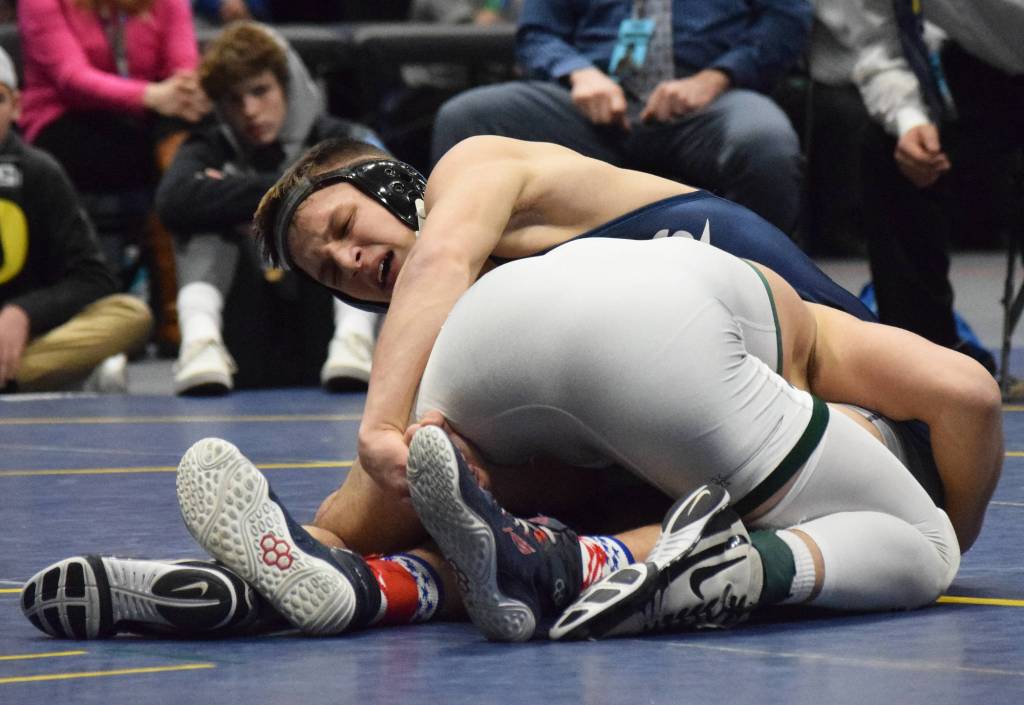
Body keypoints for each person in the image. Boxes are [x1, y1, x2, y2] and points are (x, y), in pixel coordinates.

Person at [252, 134, 993, 555]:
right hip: (690, 454)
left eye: (344, 229)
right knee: (447, 471)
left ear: (388, 183)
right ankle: (316, 557)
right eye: (329, 271)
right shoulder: (463, 321)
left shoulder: (472, 170)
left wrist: (379, 426)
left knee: (416, 452)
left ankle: (336, 554)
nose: (349, 261)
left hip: (853, 414)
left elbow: (441, 258)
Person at [429, 0, 811, 235]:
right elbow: (537, 33)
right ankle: (458, 278)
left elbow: (786, 21)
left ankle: (766, 288)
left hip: (705, 102)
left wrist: (714, 79)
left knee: (764, 141)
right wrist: (577, 72)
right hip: (589, 101)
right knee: (467, 119)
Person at [156, 22, 383, 394]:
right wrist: (305, 190)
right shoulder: (208, 146)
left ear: (287, 86)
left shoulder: (342, 136)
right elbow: (173, 202)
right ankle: (201, 344)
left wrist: (241, 200)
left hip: (324, 317)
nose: (249, 111)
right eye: (234, 99)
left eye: (260, 91)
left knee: (357, 217)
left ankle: (354, 340)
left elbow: (391, 195)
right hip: (247, 337)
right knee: (201, 223)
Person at [851, 0, 1023, 372]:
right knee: (885, 148)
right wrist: (909, 121)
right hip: (987, 63)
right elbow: (880, 47)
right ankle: (926, 356)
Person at [0, 46, 153, 394]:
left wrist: (23, 312)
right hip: (32, 350)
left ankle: (20, 371)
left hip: (30, 336)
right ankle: (58, 374)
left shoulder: (40, 172)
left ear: (17, 106)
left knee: (131, 314)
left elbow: (94, 279)